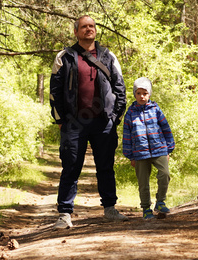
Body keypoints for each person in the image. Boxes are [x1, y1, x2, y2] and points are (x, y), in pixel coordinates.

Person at [50, 15, 128, 229]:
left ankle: (110, 209)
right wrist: (60, 119)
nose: (88, 30)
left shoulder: (108, 56)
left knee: (106, 166)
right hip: (74, 123)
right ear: (76, 31)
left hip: (103, 122)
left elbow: (119, 87)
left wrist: (115, 116)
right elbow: (55, 91)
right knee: (71, 167)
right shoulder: (64, 57)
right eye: (84, 27)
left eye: (92, 26)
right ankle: (65, 214)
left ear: (96, 30)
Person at [122, 77, 175, 219]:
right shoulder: (130, 113)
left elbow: (166, 128)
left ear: (149, 94)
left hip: (159, 149)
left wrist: (169, 149)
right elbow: (126, 135)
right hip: (139, 153)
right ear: (135, 94)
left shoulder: (155, 109)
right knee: (143, 183)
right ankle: (146, 208)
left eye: (144, 93)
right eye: (138, 93)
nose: (141, 96)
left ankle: (160, 202)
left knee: (165, 174)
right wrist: (130, 155)